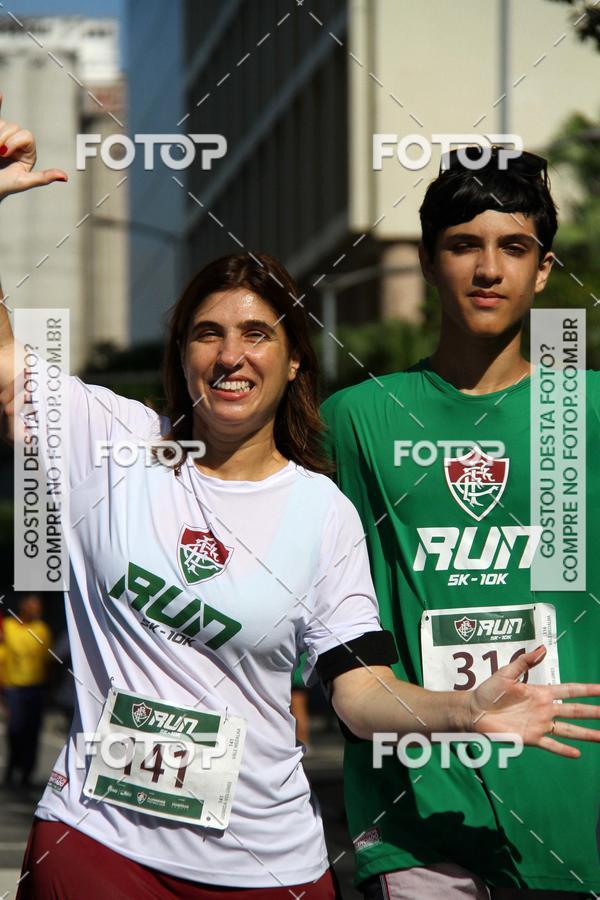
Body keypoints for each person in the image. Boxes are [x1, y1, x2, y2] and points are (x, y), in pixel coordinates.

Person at [1, 111, 599, 899]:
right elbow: (9, 372)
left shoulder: (324, 505)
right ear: (179, 352)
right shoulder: (120, 441)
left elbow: (352, 678)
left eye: (257, 334)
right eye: (206, 334)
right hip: (123, 832)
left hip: (309, 850)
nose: (231, 355)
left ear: (291, 364)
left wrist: (466, 707)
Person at [322, 148, 600, 898]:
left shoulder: (588, 412)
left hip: (573, 788)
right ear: (427, 260)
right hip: (417, 799)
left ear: (543, 270)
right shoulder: (355, 421)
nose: (488, 269)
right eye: (462, 246)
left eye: (514, 248)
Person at [0, 593, 52, 787]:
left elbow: (48, 662)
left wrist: (49, 690)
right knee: (15, 729)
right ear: (23, 606)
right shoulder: (8, 627)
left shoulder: (43, 630)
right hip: (13, 688)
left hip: (35, 688)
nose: (36, 609)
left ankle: (27, 773)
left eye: (38, 606)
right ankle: (13, 766)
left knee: (32, 731)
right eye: (32, 605)